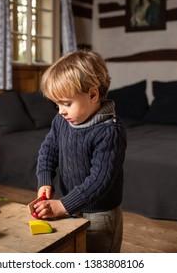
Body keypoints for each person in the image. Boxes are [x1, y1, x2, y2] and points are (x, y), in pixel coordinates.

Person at [33, 49, 127, 253]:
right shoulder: (61, 121)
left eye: (66, 103)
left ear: (93, 95)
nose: (60, 111)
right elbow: (48, 151)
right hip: (71, 207)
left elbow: (100, 180)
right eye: (57, 104)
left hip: (99, 215)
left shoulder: (110, 131)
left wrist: (63, 206)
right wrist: (45, 179)